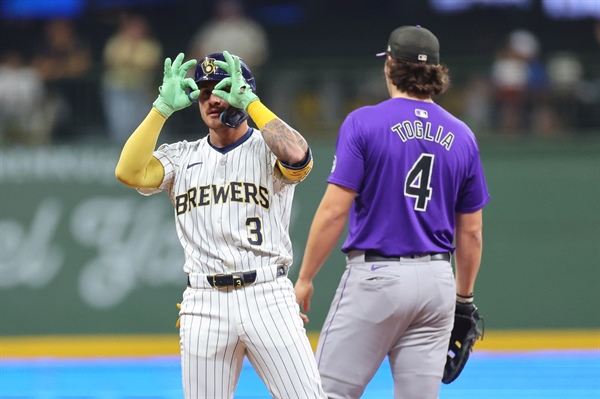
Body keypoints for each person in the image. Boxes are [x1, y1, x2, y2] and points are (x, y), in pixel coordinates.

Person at [115, 51, 326, 399]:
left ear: (242, 92)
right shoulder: (182, 157)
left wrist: (252, 103)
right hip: (203, 300)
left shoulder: (266, 148)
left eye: (222, 89)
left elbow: (298, 157)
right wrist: (161, 109)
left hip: (267, 294)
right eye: (203, 91)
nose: (211, 99)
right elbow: (129, 172)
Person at [294, 25, 491, 398]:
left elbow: (335, 212)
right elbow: (472, 233)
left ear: (389, 66)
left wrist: (304, 277)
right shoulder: (463, 135)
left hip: (377, 276)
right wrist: (463, 300)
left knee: (327, 393)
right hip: (436, 281)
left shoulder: (364, 122)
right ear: (436, 73)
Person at [102, 13, 162, 145]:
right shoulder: (116, 42)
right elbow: (111, 59)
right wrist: (133, 60)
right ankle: (120, 152)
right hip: (117, 89)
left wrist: (128, 61)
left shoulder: (150, 45)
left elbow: (149, 63)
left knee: (141, 124)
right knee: (120, 123)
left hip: (142, 90)